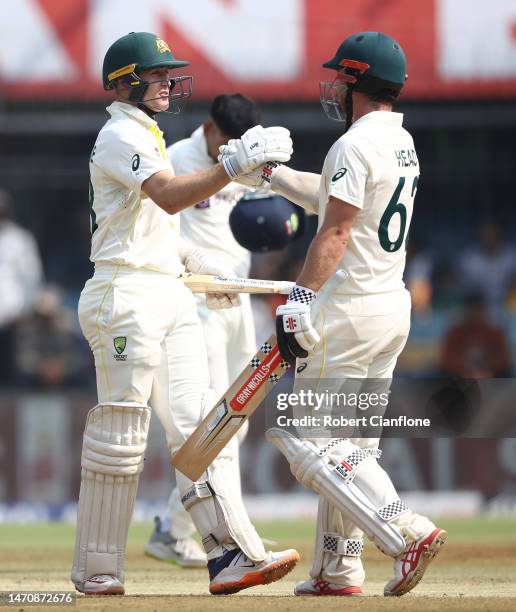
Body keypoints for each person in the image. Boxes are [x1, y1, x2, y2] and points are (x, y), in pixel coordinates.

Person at [72, 31, 298, 596]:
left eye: (169, 74)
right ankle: (97, 569)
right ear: (126, 83)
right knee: (122, 434)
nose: (169, 83)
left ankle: (231, 555)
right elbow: (171, 196)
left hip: (167, 291)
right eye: (158, 76)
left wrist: (201, 264)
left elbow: (156, 224)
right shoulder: (119, 134)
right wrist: (231, 166)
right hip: (123, 295)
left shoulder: (146, 131)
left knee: (205, 427)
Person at [227, 31, 447, 597]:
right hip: (388, 308)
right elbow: (333, 199)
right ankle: (337, 568)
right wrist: (272, 175)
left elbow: (337, 228)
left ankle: (406, 532)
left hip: (348, 310)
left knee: (306, 434)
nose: (335, 87)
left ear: (355, 81)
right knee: (353, 448)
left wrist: (299, 297)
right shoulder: (400, 141)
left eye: (341, 78)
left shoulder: (352, 144)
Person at [144, 93, 260, 568]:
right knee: (215, 418)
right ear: (210, 129)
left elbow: (268, 217)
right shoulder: (175, 158)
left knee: (241, 418)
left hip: (240, 302)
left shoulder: (250, 159)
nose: (229, 152)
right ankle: (223, 534)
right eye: (225, 142)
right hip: (196, 305)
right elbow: (158, 227)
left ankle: (173, 529)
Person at [0, 189, 43, 385]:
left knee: (12, 372)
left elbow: (32, 277)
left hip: (13, 315)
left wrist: (26, 309)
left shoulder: (20, 239)